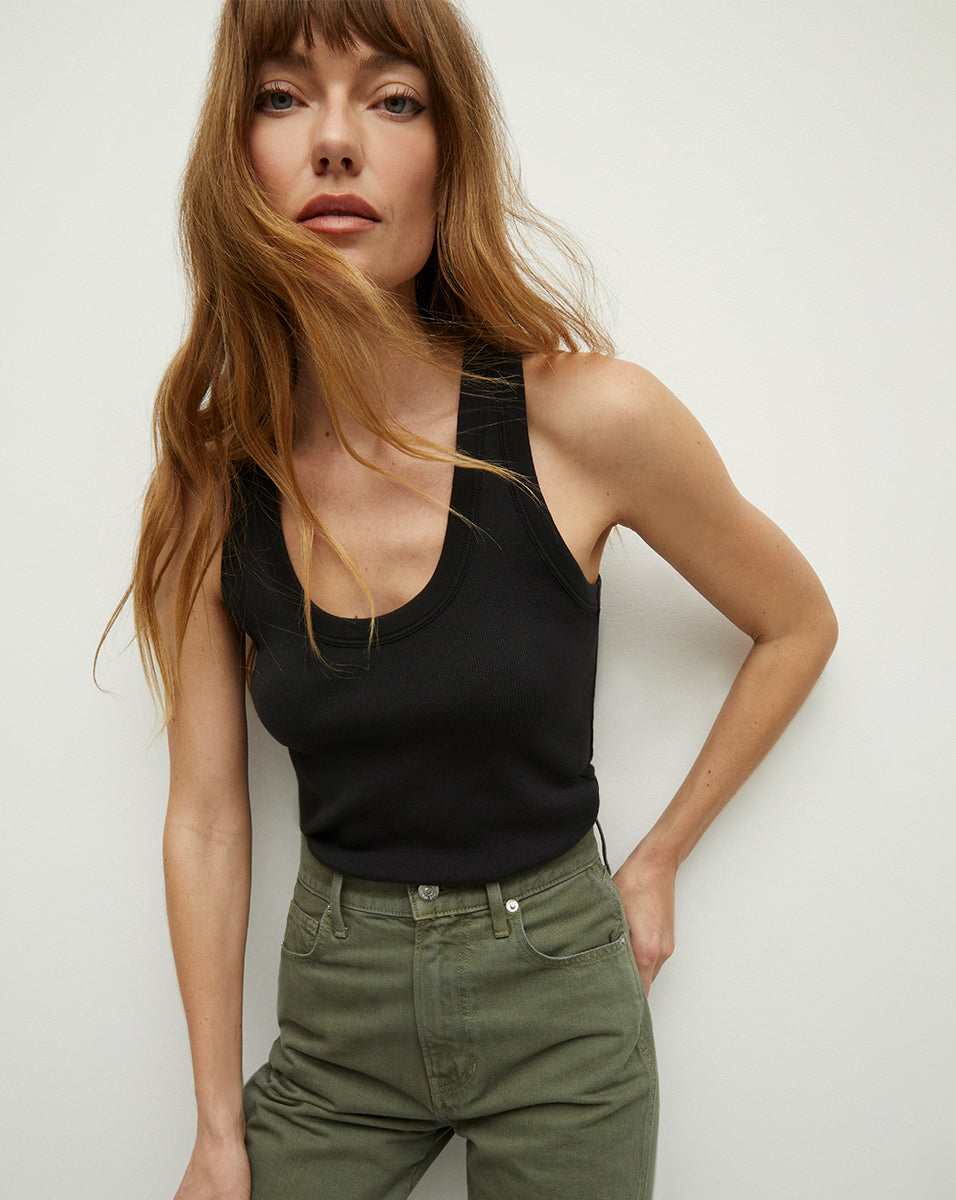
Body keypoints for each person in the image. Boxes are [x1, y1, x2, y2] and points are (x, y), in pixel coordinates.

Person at [118, 1, 838, 1197]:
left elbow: (795, 624)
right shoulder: (211, 475)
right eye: (282, 96)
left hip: (560, 999)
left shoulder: (586, 419)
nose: (334, 141)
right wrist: (216, 1131)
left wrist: (655, 861)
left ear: (446, 158)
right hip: (336, 1016)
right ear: (235, 161)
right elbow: (204, 815)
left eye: (391, 99)